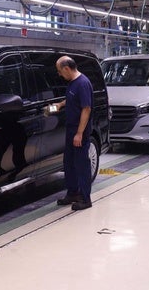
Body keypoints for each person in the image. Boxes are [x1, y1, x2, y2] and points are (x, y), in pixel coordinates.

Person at [53, 55, 94, 211]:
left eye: (59, 71)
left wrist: (79, 133)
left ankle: (85, 198)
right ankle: (73, 193)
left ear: (66, 69)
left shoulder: (82, 83)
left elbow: (86, 109)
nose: (59, 74)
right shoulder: (72, 83)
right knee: (69, 163)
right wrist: (60, 105)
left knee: (81, 164)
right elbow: (72, 100)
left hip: (79, 130)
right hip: (71, 129)